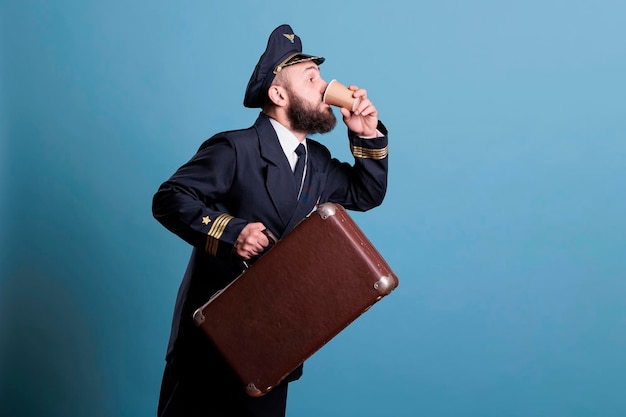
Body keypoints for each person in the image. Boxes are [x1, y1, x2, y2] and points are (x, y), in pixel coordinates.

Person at [152, 24, 389, 417]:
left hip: (271, 353)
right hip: (209, 347)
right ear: (278, 94)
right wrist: (230, 232)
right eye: (311, 78)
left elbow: (366, 194)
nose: (325, 86)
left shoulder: (319, 163)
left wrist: (367, 135)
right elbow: (170, 199)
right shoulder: (234, 148)